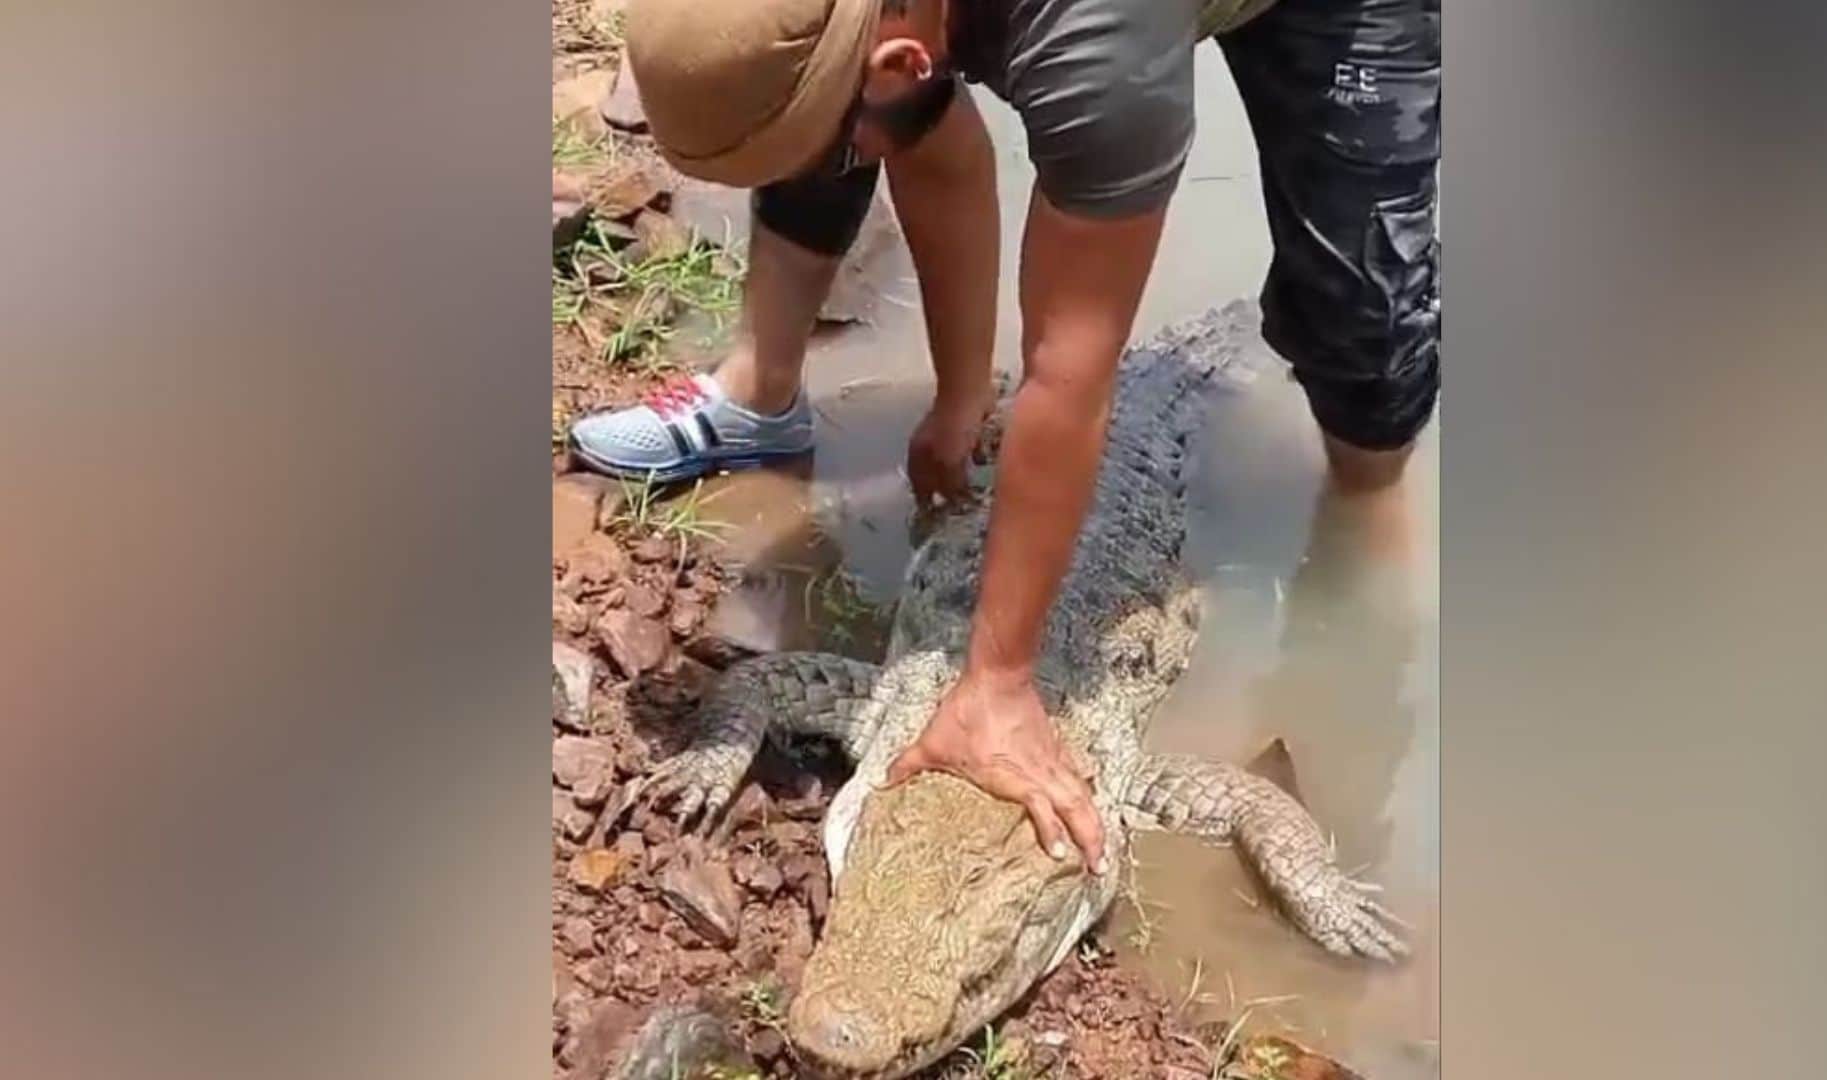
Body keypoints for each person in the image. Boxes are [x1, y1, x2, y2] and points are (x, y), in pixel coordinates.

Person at [568, 0, 1440, 873]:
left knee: (1360, 310)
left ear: (903, 62)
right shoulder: (868, 35)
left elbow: (1069, 372)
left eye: (847, 150)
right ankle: (759, 395)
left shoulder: (1099, 57)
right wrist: (957, 402)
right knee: (816, 114)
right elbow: (931, 147)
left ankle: (1370, 503)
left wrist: (997, 684)